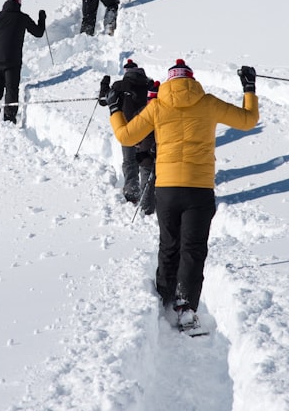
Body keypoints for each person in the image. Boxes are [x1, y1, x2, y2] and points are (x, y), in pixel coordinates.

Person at [107, 60, 260, 335]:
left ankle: (164, 299)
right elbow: (248, 120)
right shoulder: (208, 103)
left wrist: (115, 108)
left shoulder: (157, 106)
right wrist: (249, 88)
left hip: (166, 189)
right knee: (193, 249)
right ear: (191, 80)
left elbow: (126, 137)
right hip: (199, 189)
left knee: (169, 245)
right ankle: (186, 307)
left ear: (168, 82)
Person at [99, 61, 157, 213]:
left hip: (127, 129)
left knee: (129, 161)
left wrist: (104, 85)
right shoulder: (150, 85)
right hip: (146, 131)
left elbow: (103, 100)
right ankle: (147, 202)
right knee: (146, 163)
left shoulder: (119, 85)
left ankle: (132, 193)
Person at [0, 0, 47, 123]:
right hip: (13, 60)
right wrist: (42, 18)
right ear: (19, 5)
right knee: (11, 87)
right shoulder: (23, 18)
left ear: (6, 4)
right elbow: (38, 33)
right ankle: (9, 117)